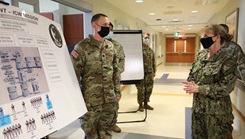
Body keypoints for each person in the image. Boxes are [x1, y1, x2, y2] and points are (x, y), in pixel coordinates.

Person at [183, 24, 237, 139]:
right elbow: (193, 73)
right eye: (203, 36)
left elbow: (226, 87)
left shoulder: (227, 59)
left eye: (206, 36)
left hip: (217, 115)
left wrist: (199, 88)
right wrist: (191, 83)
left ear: (217, 37)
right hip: (198, 111)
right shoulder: (202, 55)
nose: (203, 38)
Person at [71, 13, 120, 139]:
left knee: (106, 133)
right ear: (94, 26)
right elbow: (74, 77)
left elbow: (115, 71)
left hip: (109, 100)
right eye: (104, 24)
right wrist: (76, 101)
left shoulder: (111, 46)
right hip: (90, 102)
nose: (107, 27)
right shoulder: (81, 48)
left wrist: (117, 92)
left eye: (108, 25)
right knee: (90, 134)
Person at [106, 22, 125, 133]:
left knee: (114, 104)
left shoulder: (117, 45)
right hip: (96, 83)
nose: (108, 31)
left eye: (110, 29)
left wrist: (118, 70)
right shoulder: (89, 45)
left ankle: (113, 123)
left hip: (113, 81)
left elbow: (122, 59)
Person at [135, 33, 156, 112]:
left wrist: (154, 71)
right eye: (145, 38)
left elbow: (153, 61)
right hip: (141, 73)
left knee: (149, 89)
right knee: (141, 90)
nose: (147, 39)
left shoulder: (151, 50)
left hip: (150, 73)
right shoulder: (138, 50)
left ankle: (146, 103)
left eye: (148, 38)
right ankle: (140, 105)